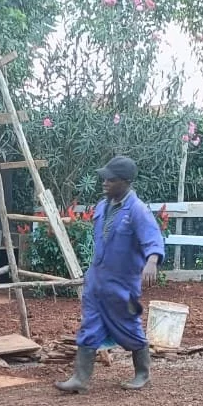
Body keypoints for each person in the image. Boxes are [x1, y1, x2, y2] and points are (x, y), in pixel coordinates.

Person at [55, 155, 165, 393]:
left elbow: (153, 238)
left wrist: (152, 261)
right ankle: (80, 378)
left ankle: (142, 374)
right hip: (97, 280)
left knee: (128, 325)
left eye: (110, 179)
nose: (104, 183)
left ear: (125, 182)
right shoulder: (103, 206)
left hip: (122, 283)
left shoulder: (137, 211)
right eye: (104, 178)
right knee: (89, 326)